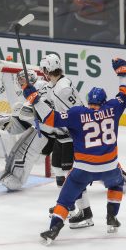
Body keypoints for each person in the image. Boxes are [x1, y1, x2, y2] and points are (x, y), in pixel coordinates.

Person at [22, 58, 126, 243]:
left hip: (84, 170)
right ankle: (111, 217)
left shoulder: (77, 114)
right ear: (104, 101)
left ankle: (54, 228)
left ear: (88, 101)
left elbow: (50, 119)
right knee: (116, 183)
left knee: (65, 198)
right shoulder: (113, 108)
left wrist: (34, 99)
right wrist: (122, 71)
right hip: (110, 167)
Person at [39, 53, 94, 228]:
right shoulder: (55, 85)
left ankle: (85, 213)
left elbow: (78, 113)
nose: (43, 73)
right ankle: (68, 206)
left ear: (48, 69)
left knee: (74, 177)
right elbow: (49, 98)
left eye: (44, 70)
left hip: (72, 136)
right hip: (63, 135)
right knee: (57, 167)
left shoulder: (63, 88)